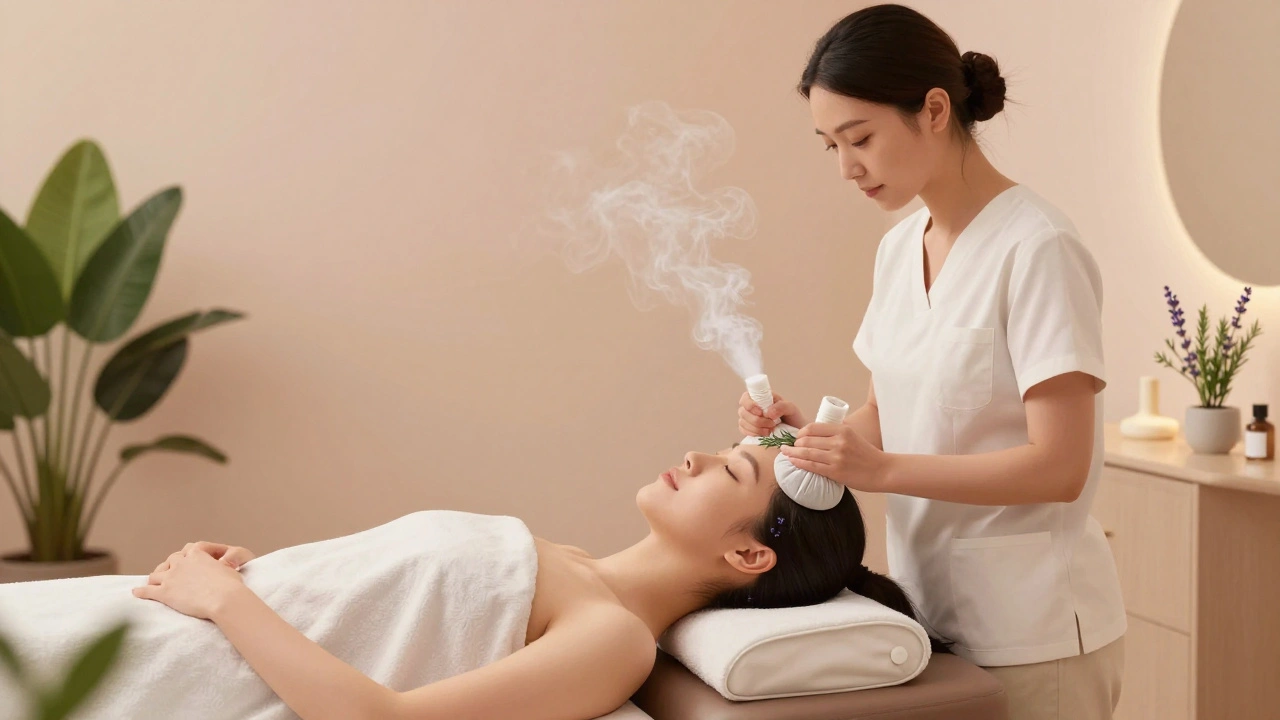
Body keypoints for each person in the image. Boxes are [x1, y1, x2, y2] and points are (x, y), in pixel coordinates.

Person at [737, 5, 1126, 720]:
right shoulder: (898, 247)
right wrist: (801, 443)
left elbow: (1061, 467)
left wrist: (879, 472)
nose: (849, 167)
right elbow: (886, 417)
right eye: (831, 146)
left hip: (1032, 631)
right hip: (927, 620)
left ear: (934, 110)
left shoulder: (1037, 248)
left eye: (861, 139)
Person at [12, 439, 940, 720]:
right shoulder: (568, 559)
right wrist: (260, 572)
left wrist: (230, 602)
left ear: (749, 557)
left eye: (730, 475)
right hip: (170, 613)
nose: (697, 454)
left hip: (178, 665)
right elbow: (375, 600)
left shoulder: (612, 639)